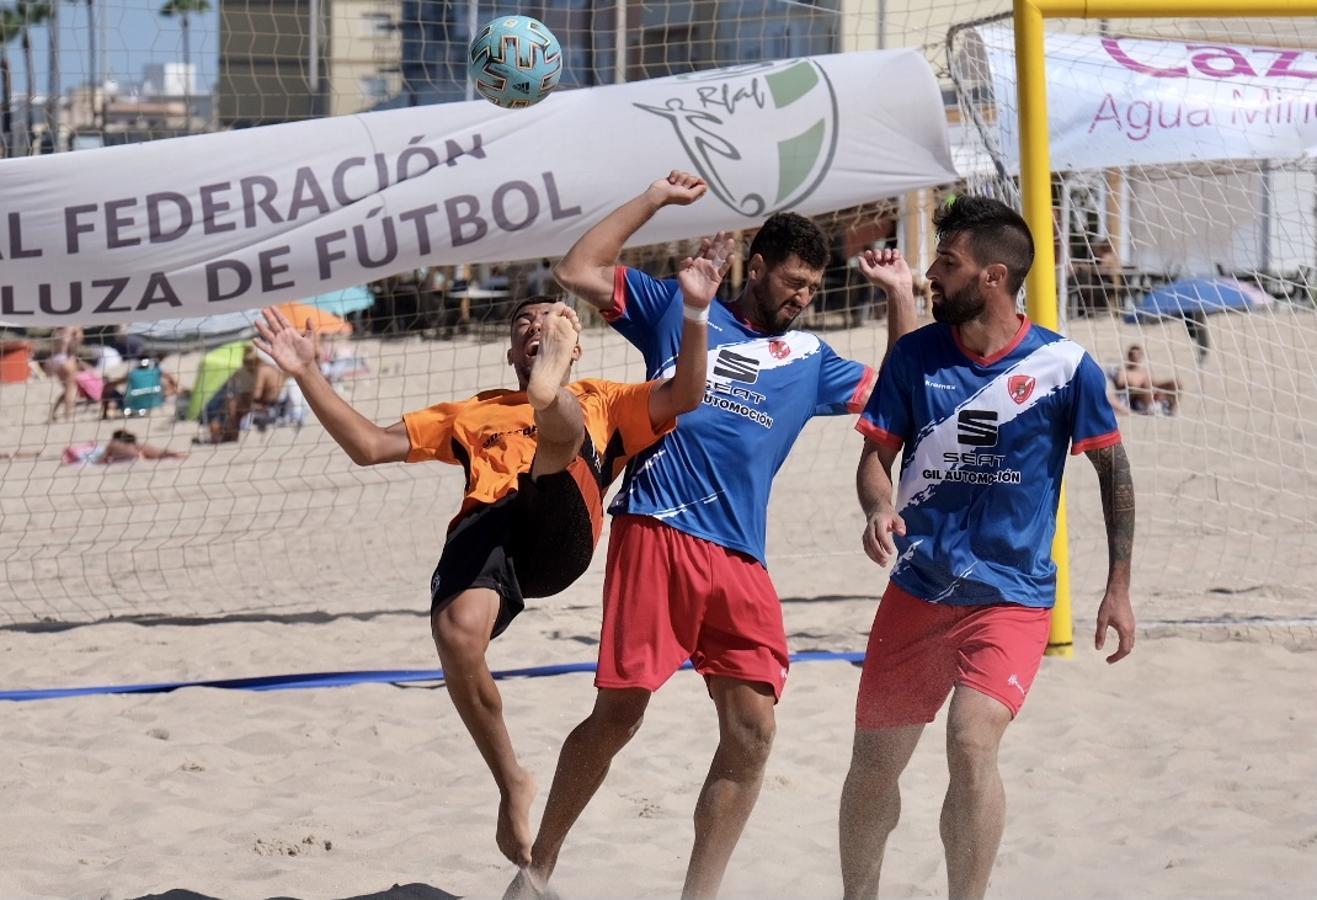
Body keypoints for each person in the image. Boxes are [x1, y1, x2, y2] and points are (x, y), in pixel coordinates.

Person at [513, 170, 917, 899]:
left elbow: (903, 393)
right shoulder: (677, 308)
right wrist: (654, 201)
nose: (801, 297)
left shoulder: (812, 360)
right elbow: (576, 270)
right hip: (658, 529)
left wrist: (899, 297)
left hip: (739, 555)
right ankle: (537, 869)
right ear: (753, 268)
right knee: (619, 716)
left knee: (753, 732)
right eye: (792, 282)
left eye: (813, 289)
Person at [251, 257, 723, 868]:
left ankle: (548, 400)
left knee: (562, 430)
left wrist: (694, 310)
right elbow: (368, 446)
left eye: (555, 321)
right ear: (510, 353)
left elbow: (688, 391)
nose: (538, 326)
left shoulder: (609, 398)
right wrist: (308, 372)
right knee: (455, 633)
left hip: (563, 523)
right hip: (493, 525)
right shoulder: (473, 413)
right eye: (526, 323)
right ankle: (513, 782)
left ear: (575, 348)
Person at [839, 195, 1136, 900]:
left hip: (1010, 599)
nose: (932, 277)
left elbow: (1114, 473)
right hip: (916, 592)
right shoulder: (914, 357)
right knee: (874, 768)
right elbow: (874, 455)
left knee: (971, 745)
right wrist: (879, 506)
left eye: (947, 264)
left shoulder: (1065, 368)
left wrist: (1117, 587)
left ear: (994, 277)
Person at [203, 348, 286, 443]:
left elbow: (256, 396)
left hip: (269, 407)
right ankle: (229, 433)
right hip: (274, 405)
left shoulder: (262, 369)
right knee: (233, 403)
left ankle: (232, 435)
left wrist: (244, 397)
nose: (248, 365)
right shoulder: (271, 368)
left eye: (248, 362)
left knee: (232, 404)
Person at [1110, 344, 1181, 416]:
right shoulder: (1123, 371)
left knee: (1176, 384)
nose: (1136, 358)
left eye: (1138, 355)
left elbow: (1153, 382)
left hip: (1150, 391)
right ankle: (1151, 408)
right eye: (1133, 355)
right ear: (1129, 356)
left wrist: (1163, 386)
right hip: (1135, 397)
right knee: (1146, 383)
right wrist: (1138, 384)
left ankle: (1171, 409)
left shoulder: (1144, 370)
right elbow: (1120, 388)